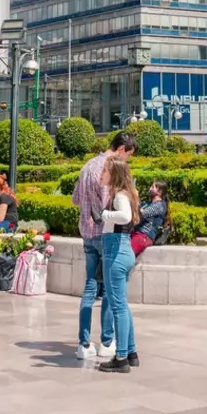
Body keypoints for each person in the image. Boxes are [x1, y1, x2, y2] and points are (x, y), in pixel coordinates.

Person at [73, 130, 139, 360]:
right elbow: (108, 206)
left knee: (90, 289)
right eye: (129, 155)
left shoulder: (87, 165)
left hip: (86, 233)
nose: (128, 160)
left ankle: (83, 343)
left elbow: (75, 199)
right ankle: (107, 342)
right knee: (111, 292)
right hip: (105, 235)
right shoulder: (109, 169)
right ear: (122, 149)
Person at [96, 157, 141, 373]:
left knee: (118, 306)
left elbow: (124, 216)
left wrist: (104, 214)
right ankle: (130, 352)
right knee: (122, 304)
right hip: (123, 249)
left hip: (115, 251)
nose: (101, 173)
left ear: (114, 173)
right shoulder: (126, 194)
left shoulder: (120, 196)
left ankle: (121, 357)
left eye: (104, 170)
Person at [137, 181, 170, 246]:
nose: (149, 189)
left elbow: (141, 214)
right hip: (138, 233)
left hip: (145, 235)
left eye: (152, 187)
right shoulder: (148, 204)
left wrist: (135, 197)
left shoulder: (159, 205)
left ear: (159, 192)